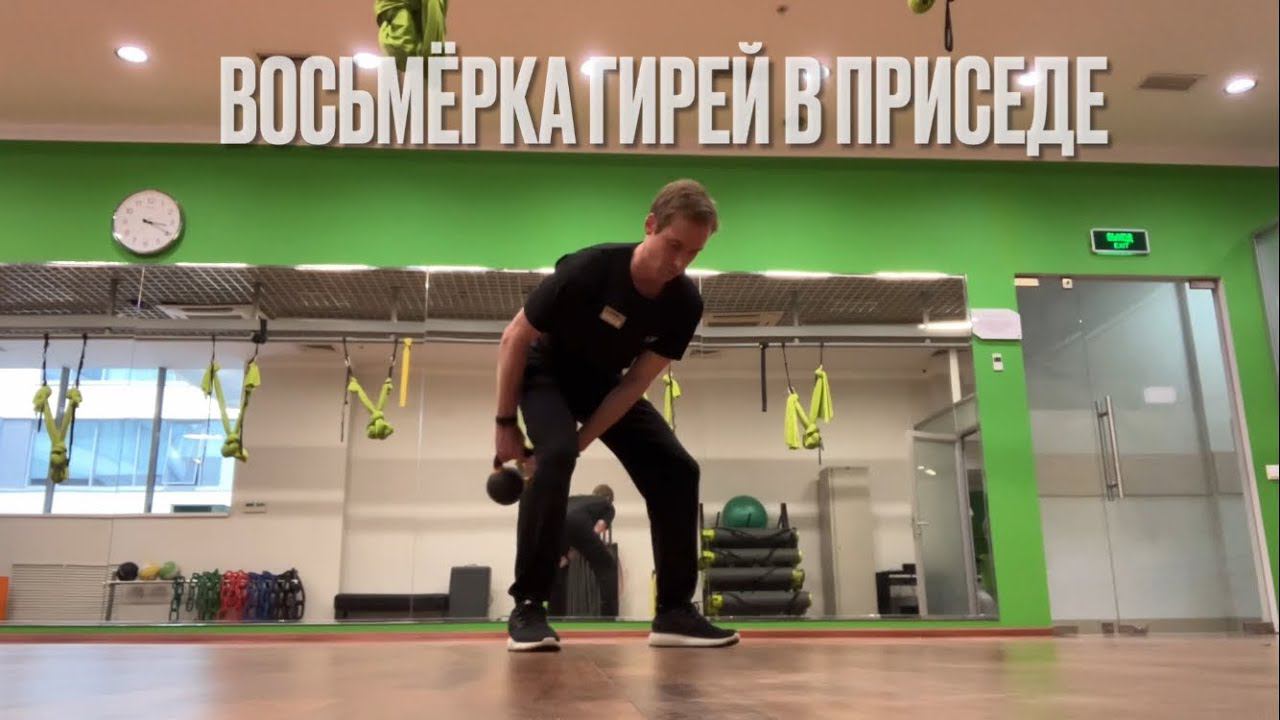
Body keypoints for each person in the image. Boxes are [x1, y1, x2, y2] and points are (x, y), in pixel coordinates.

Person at [494, 178, 740, 652]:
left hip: (603, 382)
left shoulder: (684, 303)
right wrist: (506, 425)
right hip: (545, 371)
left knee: (676, 469)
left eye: (693, 253)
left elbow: (633, 384)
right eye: (673, 246)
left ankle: (673, 611)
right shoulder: (590, 269)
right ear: (650, 225)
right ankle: (528, 606)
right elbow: (515, 337)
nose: (679, 263)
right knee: (554, 457)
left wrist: (583, 439)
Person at [548, 484, 619, 619]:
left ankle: (555, 615)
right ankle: (609, 616)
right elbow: (597, 529)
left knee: (559, 567)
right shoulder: (607, 505)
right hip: (578, 523)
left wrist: (566, 555)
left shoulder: (577, 499)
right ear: (609, 498)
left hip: (554, 522)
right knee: (607, 566)